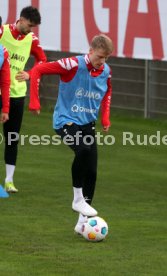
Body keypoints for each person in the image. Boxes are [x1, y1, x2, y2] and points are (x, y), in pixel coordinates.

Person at [29, 34, 113, 234]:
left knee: (91, 172)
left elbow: (107, 91)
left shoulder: (106, 71)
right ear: (91, 51)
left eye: (106, 58)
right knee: (82, 150)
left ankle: (82, 221)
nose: (102, 62)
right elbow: (38, 70)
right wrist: (34, 101)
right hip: (65, 121)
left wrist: (105, 117)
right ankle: (77, 199)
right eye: (100, 57)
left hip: (87, 124)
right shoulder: (71, 65)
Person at [0, 7, 47, 193]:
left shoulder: (32, 40)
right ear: (20, 19)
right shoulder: (2, 31)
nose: (30, 30)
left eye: (33, 27)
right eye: (29, 26)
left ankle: (9, 181)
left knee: (12, 137)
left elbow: (43, 61)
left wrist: (29, 74)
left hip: (17, 94)